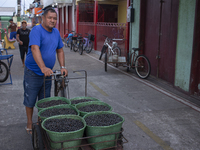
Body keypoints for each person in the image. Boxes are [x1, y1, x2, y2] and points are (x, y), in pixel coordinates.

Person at [23, 8, 68, 134]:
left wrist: (63, 66)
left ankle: (40, 123)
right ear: (43, 18)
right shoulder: (36, 30)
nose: (52, 21)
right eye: (50, 18)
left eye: (54, 18)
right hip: (33, 72)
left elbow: (60, 50)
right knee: (30, 100)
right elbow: (34, 49)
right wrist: (42, 67)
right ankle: (29, 123)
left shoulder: (56, 32)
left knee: (44, 100)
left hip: (48, 74)